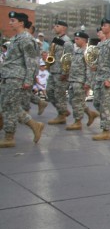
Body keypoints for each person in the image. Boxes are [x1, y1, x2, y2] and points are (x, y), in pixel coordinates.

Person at [0, 11, 45, 148]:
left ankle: (10, 136)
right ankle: (33, 125)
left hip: (16, 77)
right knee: (8, 105)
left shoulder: (26, 38)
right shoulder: (16, 38)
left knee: (10, 106)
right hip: (9, 75)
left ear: (21, 23)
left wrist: (28, 80)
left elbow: (31, 61)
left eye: (13, 20)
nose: (10, 23)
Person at [65, 31, 99, 131]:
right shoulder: (77, 51)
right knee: (72, 100)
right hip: (73, 80)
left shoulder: (87, 52)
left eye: (77, 39)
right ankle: (90, 113)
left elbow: (89, 69)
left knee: (76, 102)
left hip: (80, 81)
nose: (75, 40)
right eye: (75, 38)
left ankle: (77, 122)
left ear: (84, 40)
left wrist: (88, 83)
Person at [46, 20, 73, 126]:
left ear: (64, 28)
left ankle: (61, 115)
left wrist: (65, 73)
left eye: (57, 26)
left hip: (61, 72)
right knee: (49, 92)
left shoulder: (67, 42)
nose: (55, 27)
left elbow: (69, 58)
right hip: (53, 70)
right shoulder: (56, 40)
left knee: (59, 94)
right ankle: (63, 110)